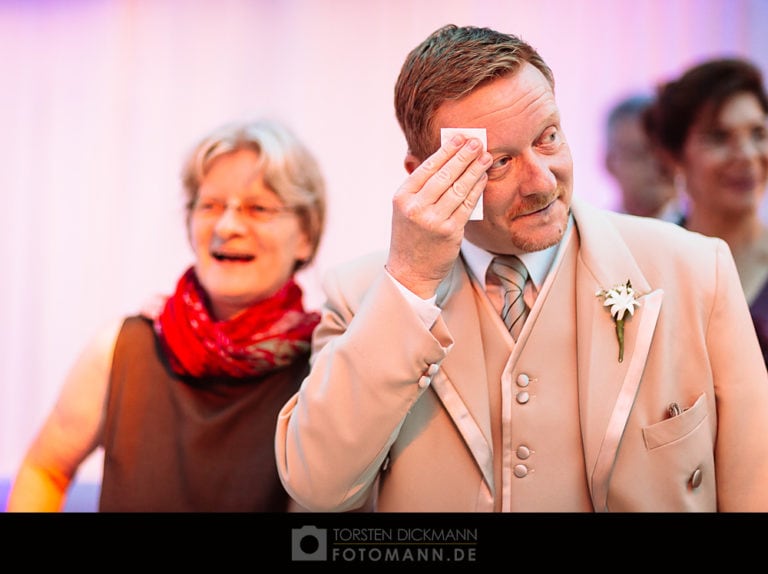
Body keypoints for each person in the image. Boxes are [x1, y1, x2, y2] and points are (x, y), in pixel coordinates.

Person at [275, 24, 768, 512]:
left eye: (548, 137)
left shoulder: (698, 272)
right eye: (498, 163)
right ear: (421, 172)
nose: (540, 181)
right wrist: (409, 284)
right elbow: (319, 486)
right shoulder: (360, 294)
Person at [7, 119, 326, 512]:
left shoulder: (326, 366)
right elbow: (46, 470)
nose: (227, 226)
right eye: (209, 205)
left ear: (306, 235)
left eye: (258, 208)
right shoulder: (124, 348)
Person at [644, 57, 768, 367]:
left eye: (758, 134)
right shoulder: (647, 269)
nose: (747, 155)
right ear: (673, 156)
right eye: (719, 138)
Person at [603, 93, 684, 222]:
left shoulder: (707, 234)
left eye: (667, 152)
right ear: (610, 163)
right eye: (639, 154)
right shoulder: (589, 236)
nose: (658, 164)